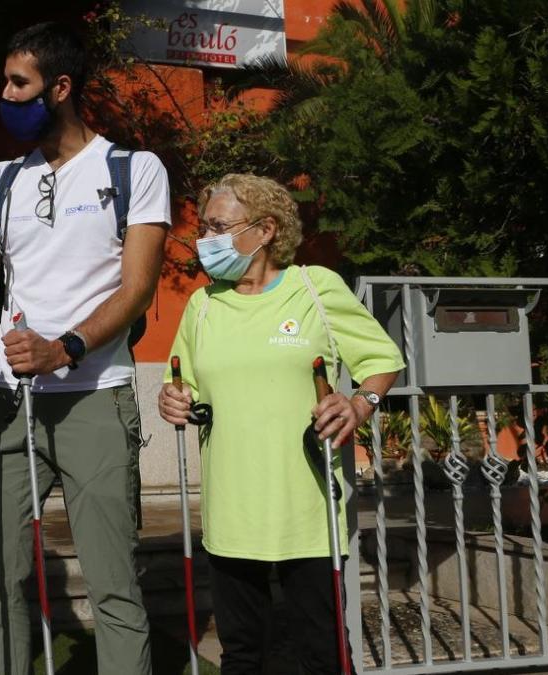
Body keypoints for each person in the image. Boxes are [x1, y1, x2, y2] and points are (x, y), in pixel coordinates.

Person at [0, 21, 170, 675]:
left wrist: (64, 348)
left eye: (20, 83)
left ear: (61, 87)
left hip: (94, 399)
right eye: (5, 82)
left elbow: (137, 288)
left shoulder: (134, 170)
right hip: (4, 402)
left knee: (114, 584)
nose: (6, 95)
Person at [157, 174, 404, 674]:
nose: (206, 241)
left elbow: (381, 358)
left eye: (219, 227)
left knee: (322, 654)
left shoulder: (315, 288)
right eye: (204, 229)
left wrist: (359, 405)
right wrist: (173, 400)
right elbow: (181, 385)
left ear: (266, 229)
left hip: (306, 512)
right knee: (243, 655)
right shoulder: (203, 306)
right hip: (233, 512)